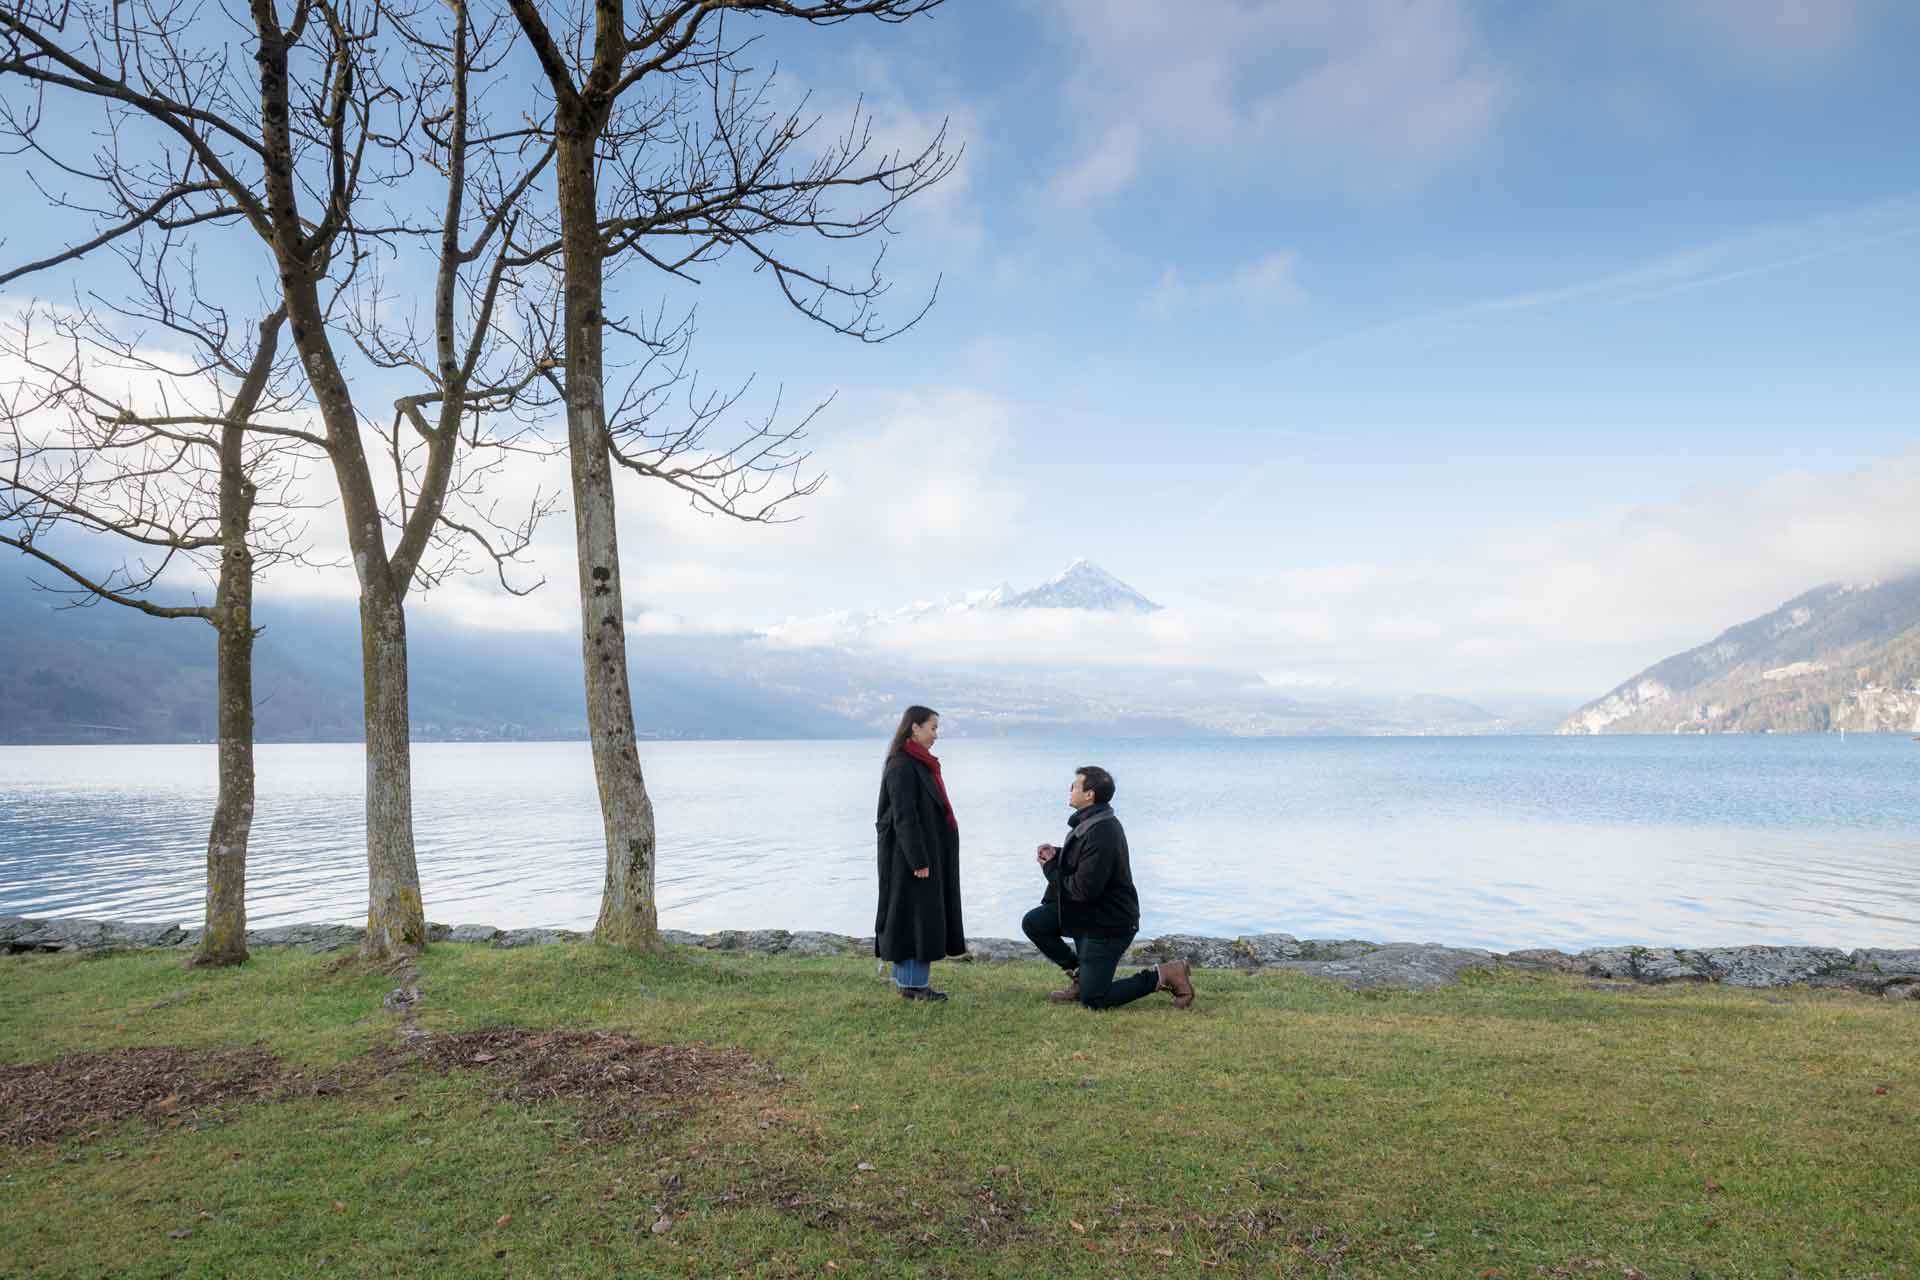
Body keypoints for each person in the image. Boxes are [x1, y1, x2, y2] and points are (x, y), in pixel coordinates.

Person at [1021, 765, 1194, 1010]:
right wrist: (1057, 855)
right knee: (1035, 923)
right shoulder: (1092, 821)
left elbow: (1083, 890)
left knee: (1095, 1000)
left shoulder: (1103, 830)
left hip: (1107, 923)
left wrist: (1050, 868)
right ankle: (1081, 974)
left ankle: (1166, 974)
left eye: (1075, 785)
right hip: (1086, 914)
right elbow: (1085, 865)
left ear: (1089, 794)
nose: (1070, 789)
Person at [874, 705, 966, 1002]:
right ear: (915, 727)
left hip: (921, 854)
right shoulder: (902, 764)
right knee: (917, 917)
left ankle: (907, 983)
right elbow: (904, 816)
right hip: (911, 859)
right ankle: (915, 986)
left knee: (912, 915)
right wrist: (919, 860)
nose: (936, 734)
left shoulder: (917, 762)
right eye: (933, 727)